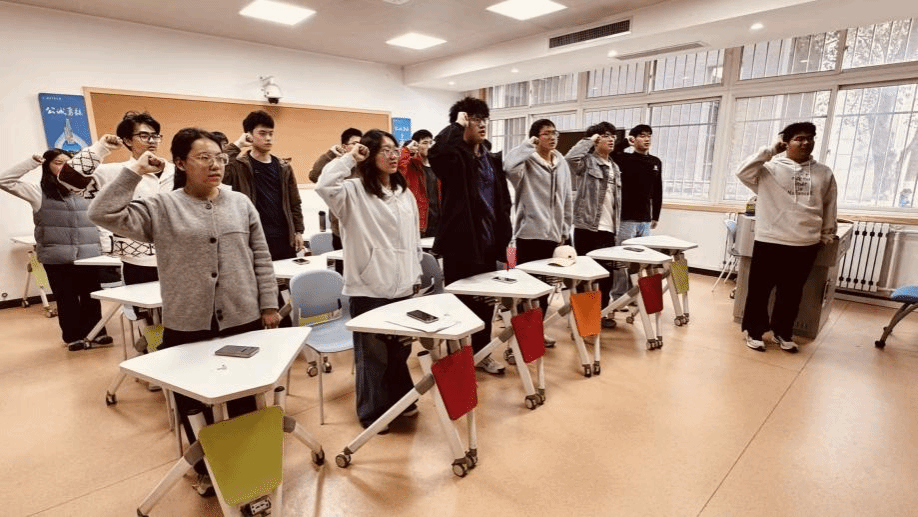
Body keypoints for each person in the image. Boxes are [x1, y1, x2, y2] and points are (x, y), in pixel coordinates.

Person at [88, 127, 281, 496]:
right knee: (193, 400)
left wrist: (269, 305)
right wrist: (135, 170)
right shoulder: (163, 207)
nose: (215, 165)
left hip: (242, 318)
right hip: (188, 321)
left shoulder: (241, 203)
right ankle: (205, 467)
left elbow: (261, 256)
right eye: (204, 158)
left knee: (243, 395)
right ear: (180, 163)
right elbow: (102, 211)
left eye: (220, 158)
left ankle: (246, 463)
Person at [315, 129, 422, 432]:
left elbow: (413, 239)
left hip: (403, 285)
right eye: (384, 150)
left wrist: (415, 274)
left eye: (395, 149)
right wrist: (351, 157)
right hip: (369, 286)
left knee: (400, 350)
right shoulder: (352, 192)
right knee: (373, 355)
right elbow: (324, 184)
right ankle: (372, 412)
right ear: (369, 154)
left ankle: (401, 399)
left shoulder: (404, 194)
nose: (392, 155)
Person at [0, 136, 120, 351]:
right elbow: (4, 181)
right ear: (47, 167)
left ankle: (96, 332)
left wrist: (106, 249)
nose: (64, 167)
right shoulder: (38, 192)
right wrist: (30, 162)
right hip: (57, 258)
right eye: (58, 162)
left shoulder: (87, 191)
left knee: (91, 297)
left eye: (68, 163)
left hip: (89, 256)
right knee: (67, 299)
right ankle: (73, 336)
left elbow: (99, 222)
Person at [428, 97, 513, 375]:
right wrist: (455, 127)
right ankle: (457, 357)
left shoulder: (491, 159)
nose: (482, 124)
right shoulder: (455, 159)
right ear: (463, 123)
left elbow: (502, 200)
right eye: (475, 119)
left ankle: (481, 354)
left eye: (484, 119)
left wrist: (504, 235)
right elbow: (437, 154)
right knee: (460, 303)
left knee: (484, 304)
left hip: (488, 244)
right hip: (461, 245)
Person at [736, 122, 837, 353]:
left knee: (791, 293)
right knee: (760, 291)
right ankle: (754, 331)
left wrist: (826, 234)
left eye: (810, 138)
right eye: (799, 138)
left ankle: (783, 332)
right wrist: (771, 150)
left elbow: (829, 204)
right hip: (770, 239)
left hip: (805, 242)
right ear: (786, 143)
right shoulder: (768, 169)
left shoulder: (823, 172)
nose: (806, 142)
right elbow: (742, 172)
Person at [93, 112, 176, 332]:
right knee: (146, 317)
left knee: (179, 313)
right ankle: (150, 347)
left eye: (156, 136)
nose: (152, 141)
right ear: (128, 141)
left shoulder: (175, 171)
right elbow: (68, 177)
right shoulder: (115, 172)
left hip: (176, 258)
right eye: (144, 135)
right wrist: (100, 148)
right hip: (137, 261)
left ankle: (173, 348)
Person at [504, 119, 573, 336]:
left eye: (555, 133)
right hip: (529, 235)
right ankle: (523, 336)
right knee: (527, 288)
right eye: (547, 133)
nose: (552, 137)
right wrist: (528, 145)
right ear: (536, 137)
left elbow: (567, 199)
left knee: (544, 289)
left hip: (553, 236)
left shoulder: (561, 163)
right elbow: (508, 167)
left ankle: (535, 332)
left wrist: (565, 229)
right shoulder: (526, 162)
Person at [223, 110, 305, 261]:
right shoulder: (239, 165)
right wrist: (237, 145)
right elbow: (220, 167)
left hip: (283, 236)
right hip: (253, 237)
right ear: (249, 135)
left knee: (285, 275)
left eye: (271, 134)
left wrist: (298, 231)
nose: (268, 138)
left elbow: (295, 202)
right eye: (262, 133)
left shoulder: (283, 166)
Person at [565, 121, 621, 328]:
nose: (611, 139)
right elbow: (569, 159)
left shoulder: (615, 167)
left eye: (613, 135)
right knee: (585, 275)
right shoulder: (587, 162)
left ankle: (601, 314)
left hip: (609, 229)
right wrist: (589, 140)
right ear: (596, 139)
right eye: (605, 135)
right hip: (587, 227)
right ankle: (584, 318)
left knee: (607, 276)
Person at [611, 124, 663, 300]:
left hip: (645, 220)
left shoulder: (655, 162)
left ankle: (634, 296)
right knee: (622, 260)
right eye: (642, 136)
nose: (647, 139)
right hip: (626, 219)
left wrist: (655, 215)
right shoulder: (624, 158)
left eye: (649, 136)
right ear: (634, 139)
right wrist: (626, 142)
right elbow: (612, 152)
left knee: (639, 262)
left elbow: (658, 190)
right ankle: (619, 296)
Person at [309, 127, 363, 272]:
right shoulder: (336, 164)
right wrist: (330, 154)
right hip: (340, 228)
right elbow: (314, 176)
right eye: (355, 143)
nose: (359, 147)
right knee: (343, 269)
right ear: (345, 146)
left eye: (361, 143)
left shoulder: (363, 166)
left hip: (361, 228)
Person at [399, 129, 441, 238]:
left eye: (431, 143)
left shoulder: (437, 166)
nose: (429, 146)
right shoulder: (411, 165)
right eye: (425, 143)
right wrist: (406, 149)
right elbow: (399, 166)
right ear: (416, 145)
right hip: (419, 222)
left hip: (438, 220)